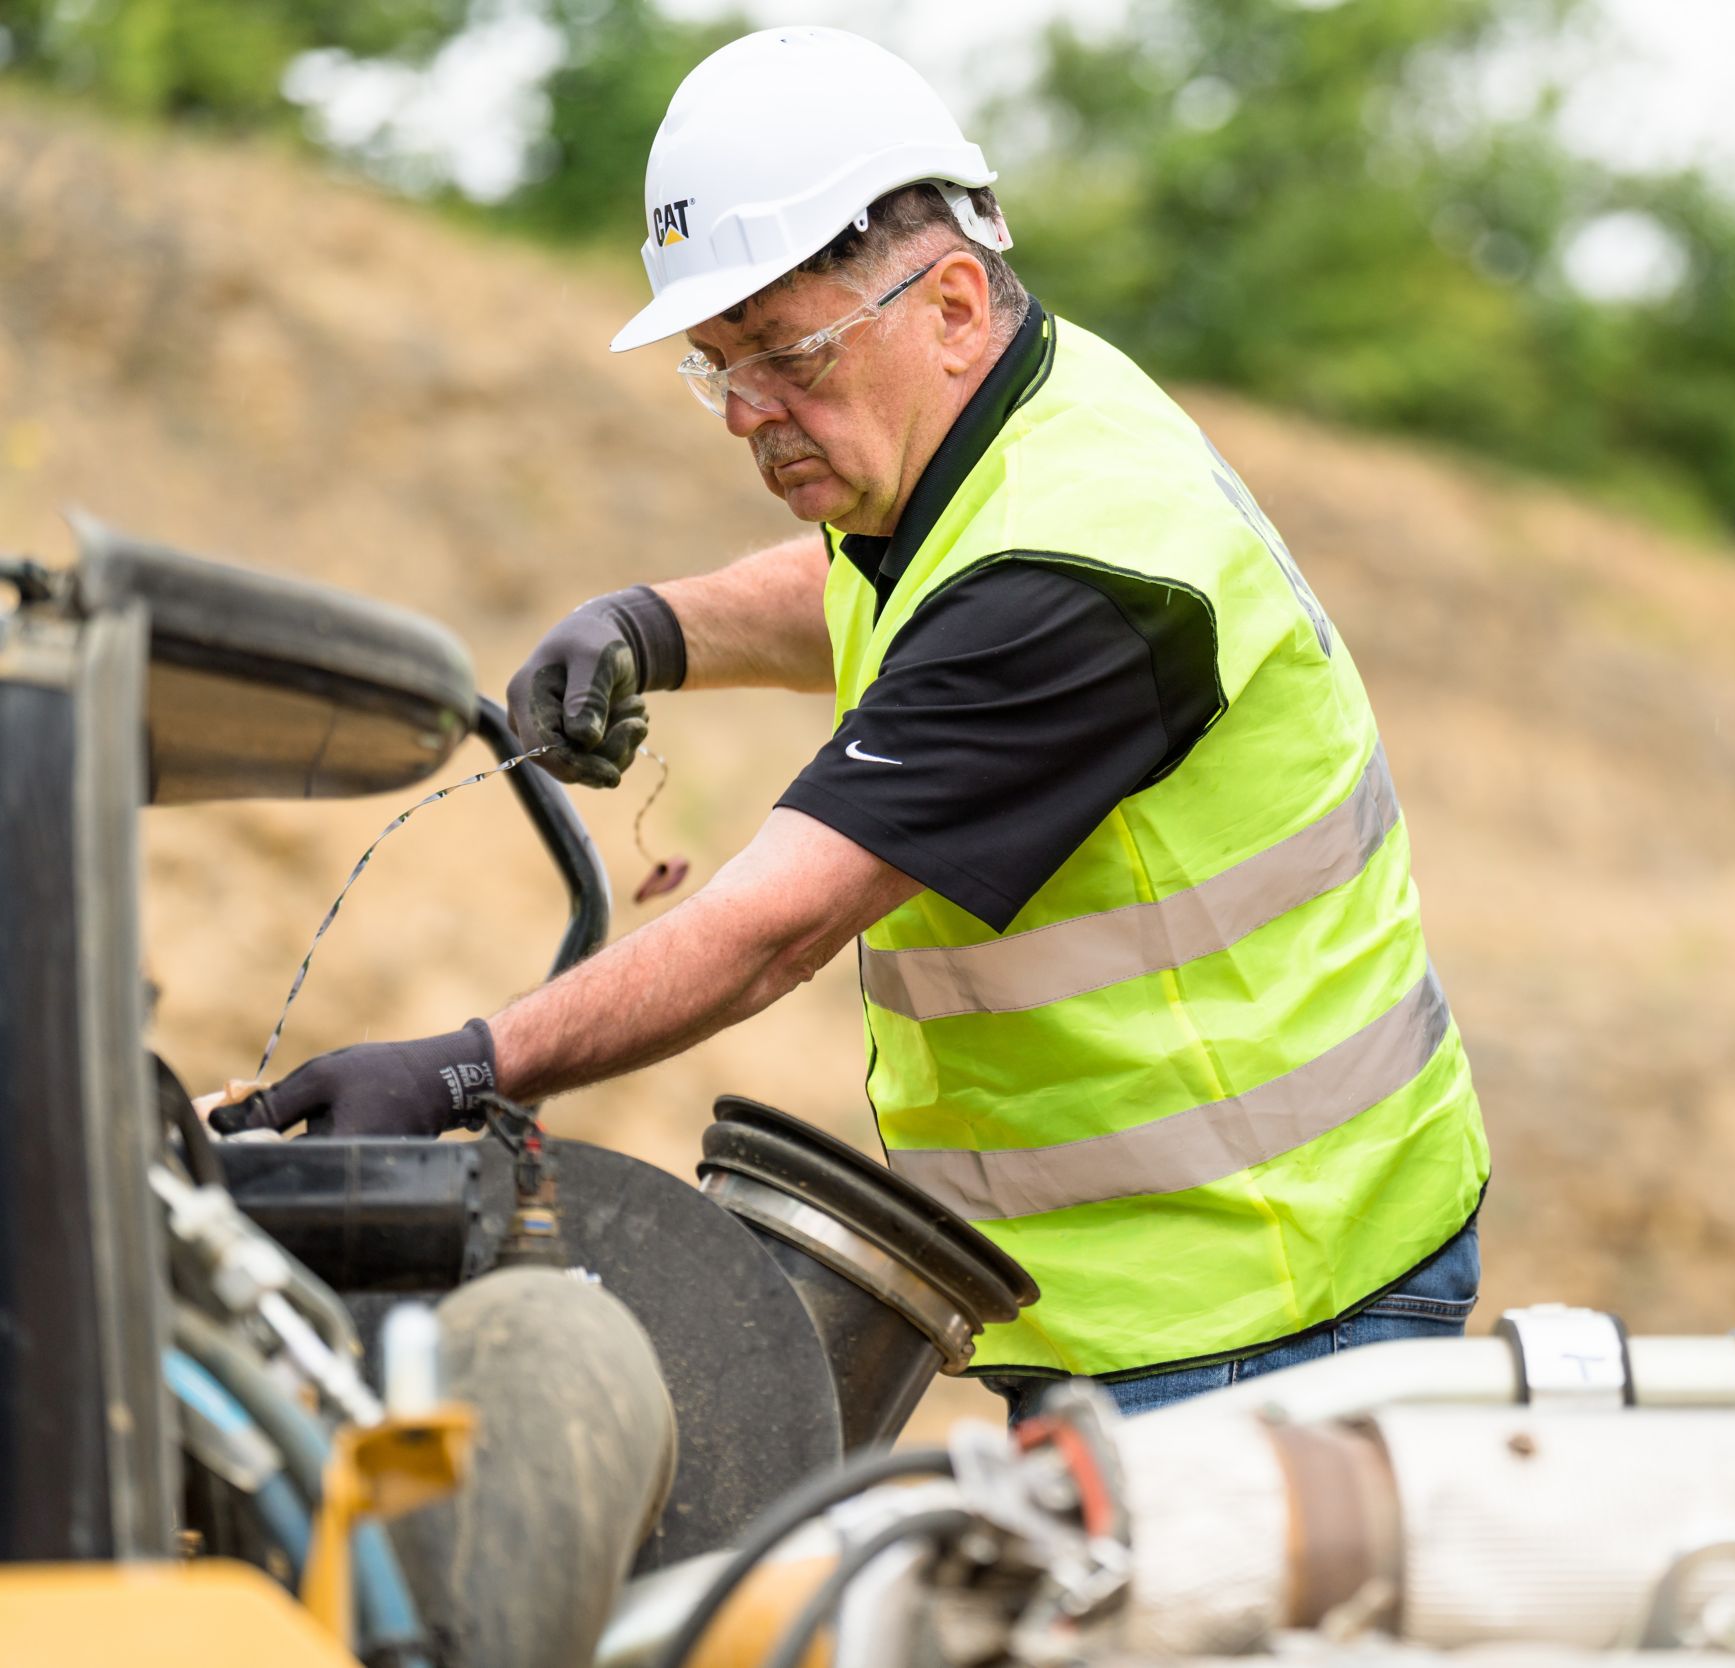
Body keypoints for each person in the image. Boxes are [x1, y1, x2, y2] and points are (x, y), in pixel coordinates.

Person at [215, 26, 1490, 1416]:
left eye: (783, 354)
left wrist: (464, 1064)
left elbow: (775, 925)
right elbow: (881, 582)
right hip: (1156, 1287)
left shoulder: (1081, 578)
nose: (744, 413)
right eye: (714, 364)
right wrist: (655, 627)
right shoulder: (1005, 426)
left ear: (948, 303)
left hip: (1267, 1296)